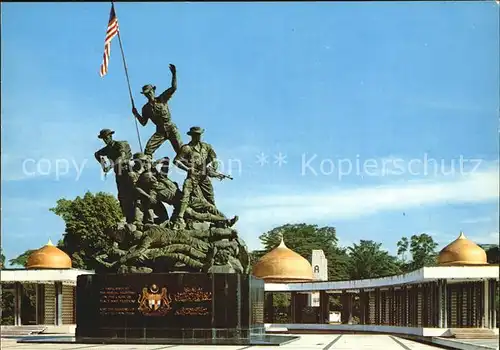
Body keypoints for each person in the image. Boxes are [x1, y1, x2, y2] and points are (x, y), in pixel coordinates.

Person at [173, 126, 228, 225]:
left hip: (204, 176)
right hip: (193, 176)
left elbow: (213, 159)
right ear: (192, 136)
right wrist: (187, 169)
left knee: (210, 198)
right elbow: (176, 161)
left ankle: (217, 221)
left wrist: (213, 168)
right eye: (196, 135)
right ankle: (180, 217)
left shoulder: (206, 146)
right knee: (186, 195)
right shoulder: (187, 148)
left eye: (199, 135)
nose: (198, 137)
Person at [132, 64, 182, 158]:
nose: (148, 95)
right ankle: (148, 167)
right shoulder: (145, 108)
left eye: (150, 92)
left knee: (181, 152)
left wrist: (174, 74)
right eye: (146, 94)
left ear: (153, 91)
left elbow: (173, 88)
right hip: (160, 131)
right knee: (148, 150)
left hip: (171, 128)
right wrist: (136, 114)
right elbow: (143, 122)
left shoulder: (162, 98)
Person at [94, 129, 135, 222]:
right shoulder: (107, 149)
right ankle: (126, 215)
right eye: (104, 139)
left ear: (111, 136)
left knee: (132, 191)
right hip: (119, 172)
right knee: (121, 195)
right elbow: (96, 154)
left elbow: (122, 157)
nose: (105, 140)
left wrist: (110, 166)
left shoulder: (119, 144)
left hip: (128, 169)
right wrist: (102, 164)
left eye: (106, 137)